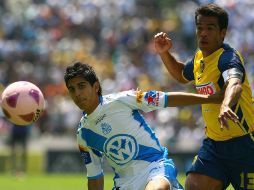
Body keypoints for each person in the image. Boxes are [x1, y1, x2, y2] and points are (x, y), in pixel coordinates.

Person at [64, 62, 224, 190]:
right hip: (125, 183)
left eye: (81, 86)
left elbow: (166, 99)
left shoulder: (123, 100)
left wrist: (208, 98)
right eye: (72, 89)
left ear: (96, 86)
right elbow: (94, 176)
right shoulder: (83, 134)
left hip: (155, 167)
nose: (77, 93)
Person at [154, 3, 254, 190]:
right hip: (214, 146)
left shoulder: (228, 57)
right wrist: (164, 53)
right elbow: (182, 74)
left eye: (210, 28)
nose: (203, 33)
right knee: (195, 186)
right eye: (200, 28)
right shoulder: (200, 58)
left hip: (245, 144)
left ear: (222, 32)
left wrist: (226, 105)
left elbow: (235, 83)